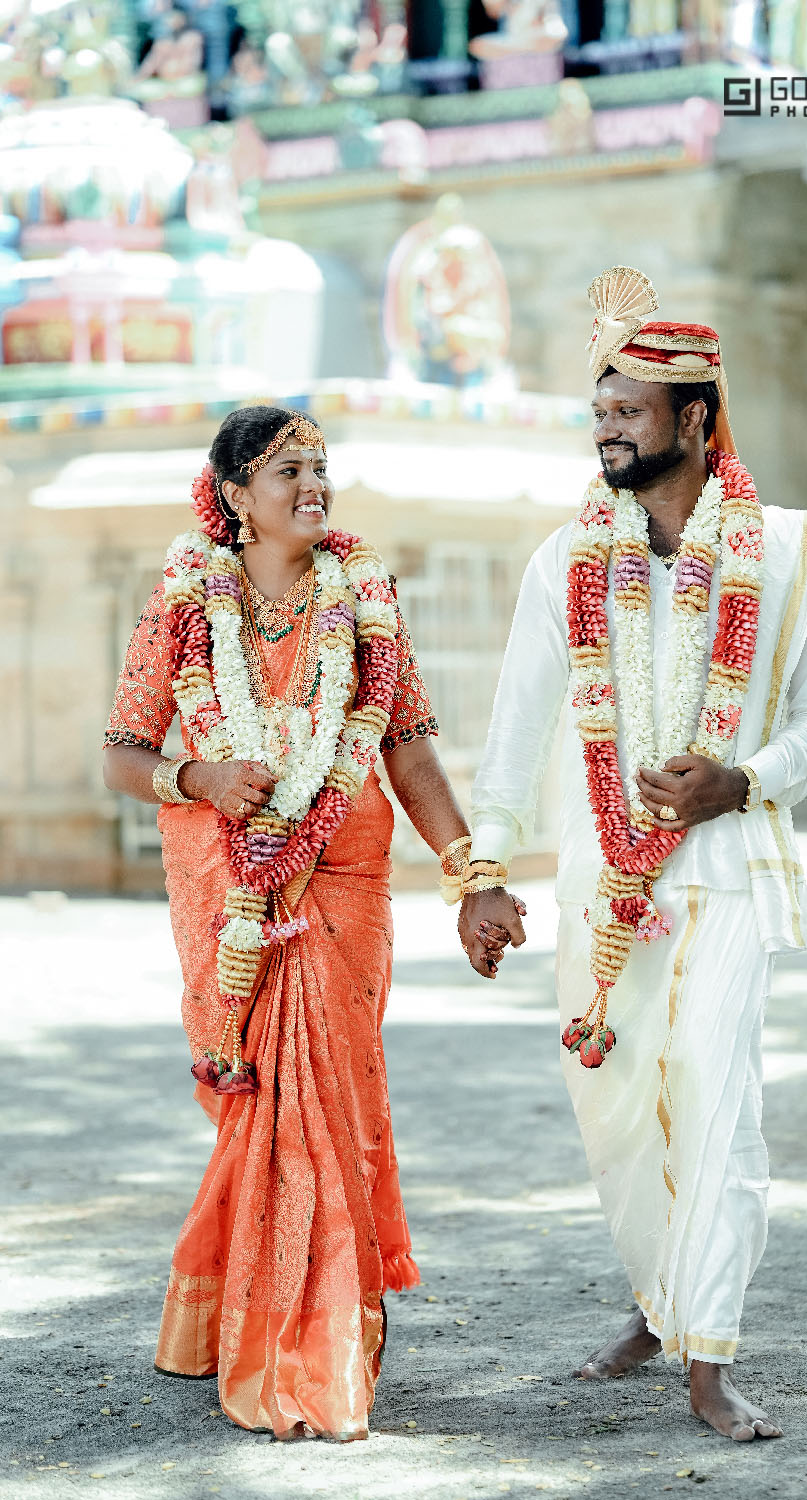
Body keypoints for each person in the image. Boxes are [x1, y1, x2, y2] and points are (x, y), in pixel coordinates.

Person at [458, 267, 807, 1441]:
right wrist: (484, 870)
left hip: (724, 874)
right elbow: (517, 731)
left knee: (716, 1102)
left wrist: (744, 782)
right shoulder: (561, 562)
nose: (607, 430)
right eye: (598, 412)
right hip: (600, 882)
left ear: (694, 417)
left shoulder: (784, 552)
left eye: (628, 411)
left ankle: (708, 1356)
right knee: (617, 1108)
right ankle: (656, 1299)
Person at [103, 404, 512, 1440]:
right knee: (256, 1100)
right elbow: (120, 755)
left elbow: (409, 749)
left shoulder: (367, 598)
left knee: (328, 1105)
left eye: (322, 467)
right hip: (227, 879)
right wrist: (196, 772)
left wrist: (472, 875)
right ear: (235, 496)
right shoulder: (182, 605)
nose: (314, 484)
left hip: (344, 880)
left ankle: (320, 1339)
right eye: (289, 469)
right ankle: (246, 1313)